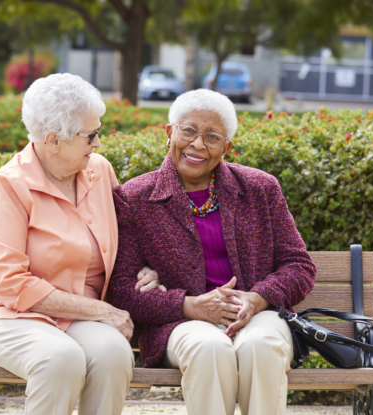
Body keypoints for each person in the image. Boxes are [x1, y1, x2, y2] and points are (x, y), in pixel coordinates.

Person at [108, 89, 317, 415]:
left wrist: (257, 298)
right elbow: (121, 292)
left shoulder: (260, 188)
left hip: (257, 316)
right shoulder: (136, 198)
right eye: (188, 130)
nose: (198, 144)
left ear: (226, 148)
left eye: (212, 136)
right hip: (181, 323)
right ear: (169, 133)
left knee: (260, 347)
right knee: (210, 347)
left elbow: (299, 266)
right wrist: (189, 305)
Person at [0, 73, 160, 415]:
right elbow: (9, 285)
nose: (98, 144)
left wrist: (144, 269)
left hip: (75, 319)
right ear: (53, 140)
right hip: (7, 317)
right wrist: (101, 310)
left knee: (114, 353)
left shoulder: (99, 171)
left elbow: (126, 241)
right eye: (91, 135)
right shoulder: (11, 185)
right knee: (60, 358)